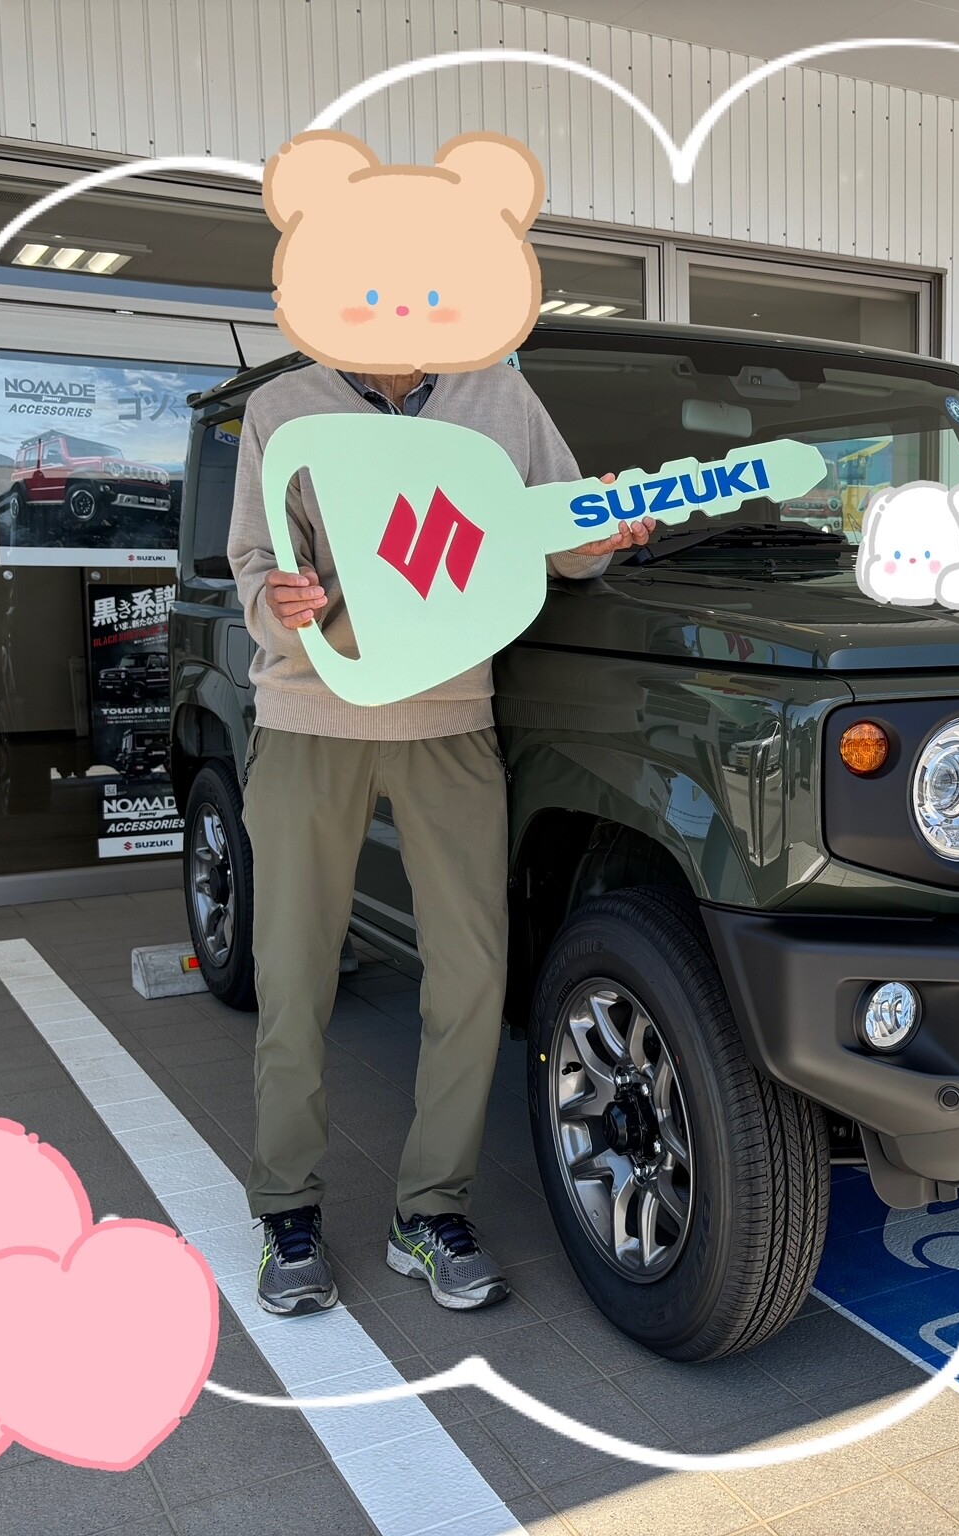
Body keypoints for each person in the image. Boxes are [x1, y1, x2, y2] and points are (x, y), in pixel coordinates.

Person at [227, 357, 653, 1316]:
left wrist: (603, 533)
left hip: (454, 720)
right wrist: (275, 602)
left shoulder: (500, 391)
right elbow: (254, 562)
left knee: (471, 978)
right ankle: (287, 1212)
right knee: (293, 976)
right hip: (310, 718)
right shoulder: (281, 405)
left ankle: (430, 1211)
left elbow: (559, 536)